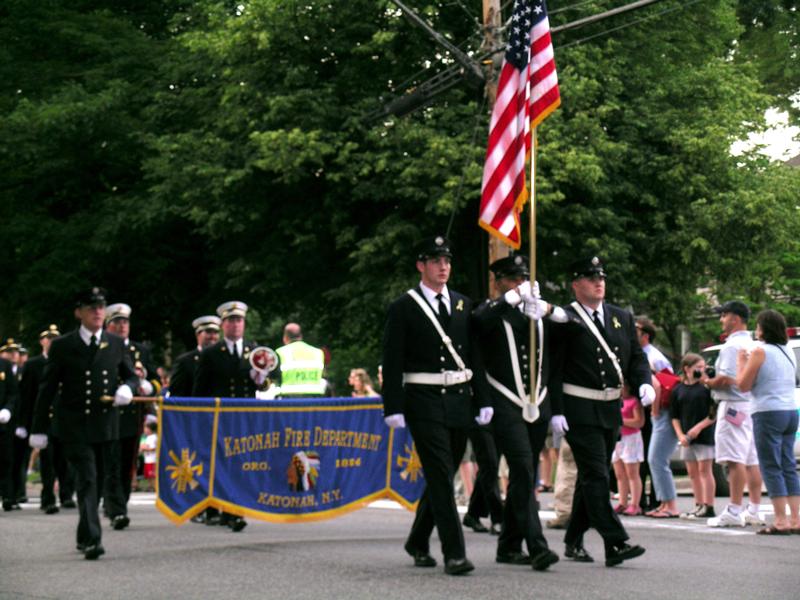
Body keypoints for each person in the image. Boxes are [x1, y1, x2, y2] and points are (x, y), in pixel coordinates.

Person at [382, 235, 492, 575]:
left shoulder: (462, 303)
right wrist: (393, 407)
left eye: (447, 261)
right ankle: (454, 553)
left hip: (459, 399)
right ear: (421, 266)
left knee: (441, 473)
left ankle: (417, 540)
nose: (443, 267)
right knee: (442, 476)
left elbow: (474, 354)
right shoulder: (404, 306)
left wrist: (482, 399)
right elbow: (393, 358)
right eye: (435, 261)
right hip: (423, 399)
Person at [549, 255, 653, 567]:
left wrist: (644, 382)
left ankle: (573, 540)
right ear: (576, 284)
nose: (599, 283)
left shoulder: (620, 316)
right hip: (578, 407)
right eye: (591, 278)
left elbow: (636, 357)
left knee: (590, 477)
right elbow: (552, 367)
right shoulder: (563, 318)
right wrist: (555, 409)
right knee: (597, 474)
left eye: (602, 278)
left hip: (610, 408)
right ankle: (615, 542)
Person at [29, 287, 138, 559]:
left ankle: (83, 533)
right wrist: (38, 428)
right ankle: (92, 539)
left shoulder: (114, 344)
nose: (98, 312)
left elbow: (131, 375)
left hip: (105, 425)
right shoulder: (63, 345)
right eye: (92, 307)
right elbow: (48, 388)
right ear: (79, 312)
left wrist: (129, 388)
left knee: (99, 482)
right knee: (87, 480)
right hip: (74, 426)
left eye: (101, 307)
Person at [472, 253, 561, 571]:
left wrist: (549, 310)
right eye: (512, 280)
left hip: (536, 405)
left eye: (523, 279)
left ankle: (508, 545)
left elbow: (570, 337)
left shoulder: (534, 315)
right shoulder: (491, 312)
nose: (520, 285)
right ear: (498, 283)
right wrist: (510, 299)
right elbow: (479, 322)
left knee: (525, 474)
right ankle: (537, 546)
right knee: (523, 468)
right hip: (503, 403)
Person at [194, 300, 266, 532]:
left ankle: (235, 510)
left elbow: (263, 386)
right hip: (221, 419)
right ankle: (224, 509)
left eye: (239, 320)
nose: (236, 325)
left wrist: (261, 378)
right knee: (222, 465)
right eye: (231, 321)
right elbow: (200, 390)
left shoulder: (253, 351)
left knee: (242, 464)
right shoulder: (211, 353)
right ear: (223, 325)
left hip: (246, 417)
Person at [735, 309, 799, 534]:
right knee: (788, 464)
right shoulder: (788, 350)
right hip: (791, 411)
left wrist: (740, 362)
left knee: (771, 465)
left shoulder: (759, 351)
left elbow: (743, 385)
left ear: (763, 329)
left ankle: (780, 520)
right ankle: (795, 518)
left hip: (768, 411)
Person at [704, 300, 763, 528]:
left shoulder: (731, 347)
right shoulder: (753, 344)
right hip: (750, 405)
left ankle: (734, 509)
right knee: (751, 459)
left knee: (734, 459)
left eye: (724, 315)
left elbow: (727, 380)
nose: (721, 320)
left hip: (732, 405)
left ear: (735, 318)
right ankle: (754, 509)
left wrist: (708, 382)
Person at [104, 303, 160, 515]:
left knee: (128, 461)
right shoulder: (104, 346)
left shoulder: (140, 350)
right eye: (117, 322)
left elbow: (155, 379)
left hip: (133, 415)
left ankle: (120, 502)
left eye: (125, 321)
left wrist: (147, 386)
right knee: (112, 461)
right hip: (110, 412)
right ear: (109, 325)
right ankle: (115, 508)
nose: (122, 326)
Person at [17, 325, 76, 514]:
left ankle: (66, 495)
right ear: (42, 341)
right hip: (44, 418)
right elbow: (26, 397)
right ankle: (48, 498)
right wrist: (24, 424)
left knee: (65, 460)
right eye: (48, 338)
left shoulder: (66, 361)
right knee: (48, 460)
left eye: (54, 338)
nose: (51, 341)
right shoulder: (33, 364)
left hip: (63, 418)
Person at [636, 318, 680, 519]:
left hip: (656, 409)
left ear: (646, 335)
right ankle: (659, 502)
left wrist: (654, 409)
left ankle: (662, 500)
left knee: (655, 457)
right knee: (647, 457)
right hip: (642, 408)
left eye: (636, 330)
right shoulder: (639, 355)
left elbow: (664, 384)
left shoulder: (654, 357)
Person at [670, 353, 716, 519]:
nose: (702, 371)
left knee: (705, 470)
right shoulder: (678, 389)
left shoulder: (706, 388)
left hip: (703, 434)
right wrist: (680, 434)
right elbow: (674, 416)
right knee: (692, 472)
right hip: (686, 436)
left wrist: (699, 427)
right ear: (687, 369)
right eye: (698, 368)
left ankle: (708, 505)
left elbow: (713, 413)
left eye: (703, 368)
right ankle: (698, 504)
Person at [611, 386, 645, 515]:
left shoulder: (634, 401)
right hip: (618, 438)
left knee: (632, 473)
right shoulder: (616, 401)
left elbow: (639, 422)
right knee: (619, 474)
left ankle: (635, 504)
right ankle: (622, 502)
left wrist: (621, 420)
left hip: (631, 438)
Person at [169, 315, 221, 397]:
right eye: (208, 332)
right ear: (197, 334)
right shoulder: (185, 362)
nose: (213, 336)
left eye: (215, 332)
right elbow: (176, 394)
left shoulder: (223, 358)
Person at [275, 323, 325, 398]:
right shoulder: (318, 352)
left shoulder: (280, 352)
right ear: (300, 336)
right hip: (315, 397)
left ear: (285, 337)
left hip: (290, 398)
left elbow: (275, 376)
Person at [0, 348, 20, 511]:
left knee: (6, 459)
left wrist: (8, 408)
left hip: (2, 422)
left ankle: (7, 495)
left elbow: (13, 392)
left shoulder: (5, 365)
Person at [139, 420, 157, 492]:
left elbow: (153, 448)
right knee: (148, 475)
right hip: (147, 459)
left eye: (146, 428)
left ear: (150, 429)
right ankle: (150, 486)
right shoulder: (147, 437)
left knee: (153, 474)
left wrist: (145, 448)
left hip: (153, 459)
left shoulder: (154, 437)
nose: (144, 430)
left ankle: (154, 486)